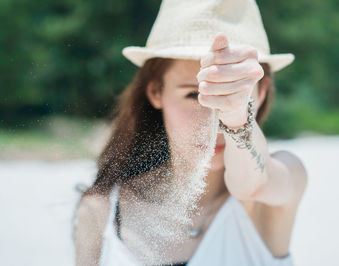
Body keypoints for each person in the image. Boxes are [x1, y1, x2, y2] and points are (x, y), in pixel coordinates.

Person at [73, 0, 308, 265]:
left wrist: (237, 117)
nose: (214, 118)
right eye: (194, 94)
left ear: (261, 92)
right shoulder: (101, 211)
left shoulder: (281, 184)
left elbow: (252, 184)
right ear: (156, 92)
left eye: (234, 93)